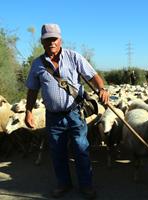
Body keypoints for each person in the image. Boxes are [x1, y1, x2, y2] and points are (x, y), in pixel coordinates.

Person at [25, 23, 109, 199]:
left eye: (54, 39)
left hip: (75, 113)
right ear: (42, 42)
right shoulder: (37, 65)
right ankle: (63, 184)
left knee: (81, 148)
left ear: (60, 40)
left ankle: (86, 185)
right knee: (57, 152)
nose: (51, 43)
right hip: (53, 116)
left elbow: (93, 76)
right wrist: (28, 111)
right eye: (47, 39)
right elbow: (32, 89)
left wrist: (102, 89)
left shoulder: (73, 57)